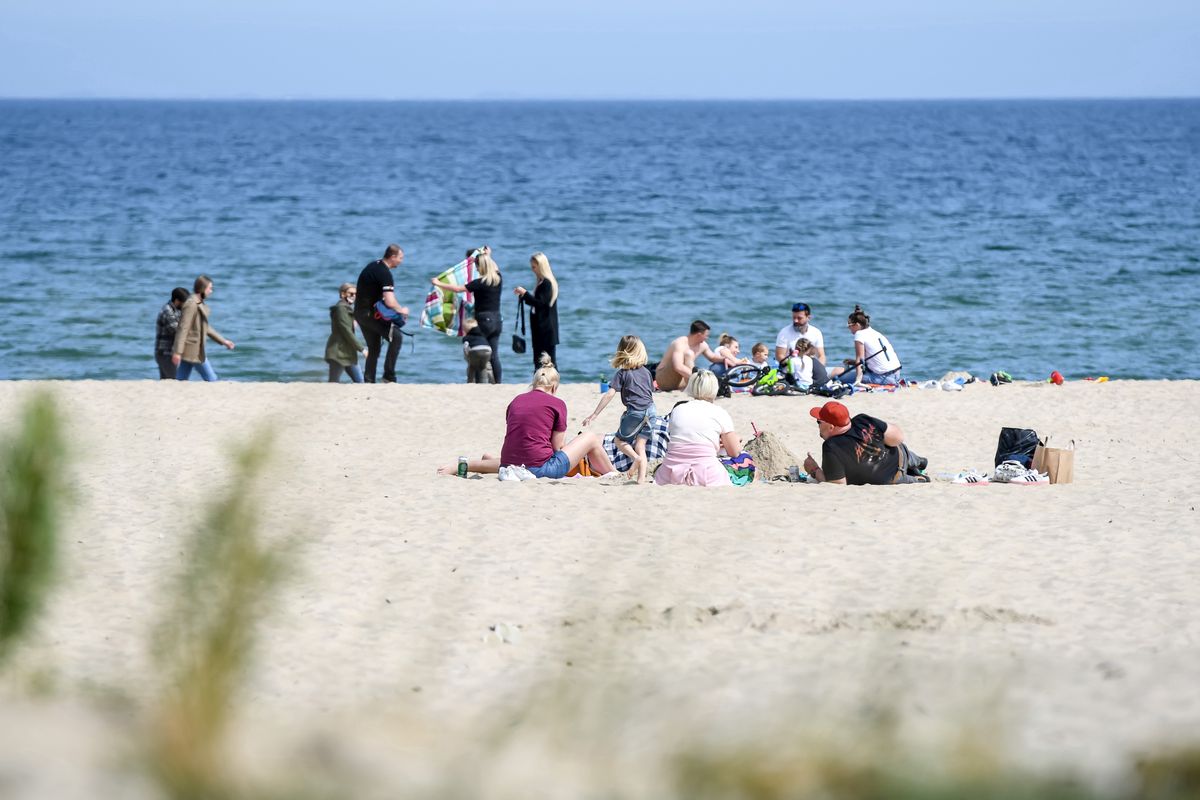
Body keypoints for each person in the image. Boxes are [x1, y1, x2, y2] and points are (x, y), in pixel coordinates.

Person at [438, 355, 615, 479]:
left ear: (535, 384)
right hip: (540, 469)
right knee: (590, 438)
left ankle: (463, 465)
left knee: (519, 458)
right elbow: (558, 447)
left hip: (509, 464)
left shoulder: (516, 401)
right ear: (553, 388)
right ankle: (613, 473)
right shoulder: (557, 404)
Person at [582, 335, 658, 483]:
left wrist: (594, 414)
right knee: (640, 445)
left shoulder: (622, 374)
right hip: (652, 411)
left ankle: (635, 458)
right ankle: (641, 480)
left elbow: (609, 395)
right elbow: (650, 391)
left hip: (636, 412)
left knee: (619, 441)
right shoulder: (647, 372)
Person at [802, 401, 928, 485]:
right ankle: (918, 462)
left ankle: (918, 472)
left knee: (903, 458)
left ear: (831, 427)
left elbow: (837, 484)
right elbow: (898, 438)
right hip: (900, 457)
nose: (818, 425)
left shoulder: (831, 447)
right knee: (898, 447)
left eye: (819, 422)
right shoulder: (863, 420)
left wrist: (814, 470)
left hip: (892, 480)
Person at [654, 370, 741, 487]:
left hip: (671, 472)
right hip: (706, 473)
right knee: (747, 463)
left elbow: (681, 437)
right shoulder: (719, 412)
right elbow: (734, 452)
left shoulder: (678, 410)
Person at [433, 247, 503, 382]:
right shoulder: (498, 279)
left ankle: (478, 382)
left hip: (483, 319)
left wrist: (439, 283)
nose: (476, 269)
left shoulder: (479, 283)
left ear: (481, 266)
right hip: (497, 320)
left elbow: (458, 289)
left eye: (477, 266)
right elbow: (495, 267)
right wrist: (489, 255)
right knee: (494, 355)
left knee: (478, 350)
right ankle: (498, 383)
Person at [354, 244, 410, 383]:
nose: (401, 261)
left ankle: (369, 380)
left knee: (374, 347)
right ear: (393, 257)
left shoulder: (374, 265)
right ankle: (388, 376)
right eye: (400, 258)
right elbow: (390, 301)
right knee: (396, 337)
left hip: (360, 314)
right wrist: (401, 310)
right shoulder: (384, 273)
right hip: (369, 314)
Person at [172, 275, 234, 381]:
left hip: (191, 349)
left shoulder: (198, 303)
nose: (211, 291)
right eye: (209, 288)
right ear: (202, 289)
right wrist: (177, 352)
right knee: (212, 379)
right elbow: (183, 328)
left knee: (180, 380)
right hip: (194, 351)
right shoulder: (191, 304)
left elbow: (206, 328)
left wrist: (224, 341)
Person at [830, 305, 903, 386]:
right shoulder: (874, 333)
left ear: (857, 325)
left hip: (884, 378)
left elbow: (859, 359)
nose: (848, 328)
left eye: (849, 325)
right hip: (896, 375)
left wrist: (858, 380)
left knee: (838, 378)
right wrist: (854, 362)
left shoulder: (859, 334)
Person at [513, 252, 559, 372]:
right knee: (539, 360)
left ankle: (550, 386)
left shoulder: (547, 283)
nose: (533, 270)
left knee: (548, 361)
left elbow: (541, 303)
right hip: (541, 328)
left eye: (534, 267)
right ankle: (540, 385)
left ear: (541, 266)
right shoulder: (541, 282)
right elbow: (537, 303)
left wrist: (525, 293)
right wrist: (524, 296)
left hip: (546, 329)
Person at [655, 320, 722, 391]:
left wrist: (725, 358)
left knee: (690, 359)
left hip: (681, 382)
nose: (707, 338)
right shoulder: (680, 343)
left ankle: (693, 387)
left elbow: (712, 357)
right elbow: (678, 367)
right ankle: (695, 384)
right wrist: (698, 378)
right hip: (665, 380)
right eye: (706, 336)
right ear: (699, 335)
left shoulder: (702, 345)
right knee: (688, 354)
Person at [325, 282, 367, 383]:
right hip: (338, 352)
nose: (354, 296)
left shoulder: (346, 309)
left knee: (360, 382)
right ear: (343, 294)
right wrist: (362, 349)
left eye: (356, 294)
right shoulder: (341, 309)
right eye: (351, 293)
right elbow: (346, 331)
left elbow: (347, 324)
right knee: (333, 383)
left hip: (348, 352)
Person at [155, 287, 188, 379]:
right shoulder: (167, 311)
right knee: (173, 381)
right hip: (165, 354)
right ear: (177, 301)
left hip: (166, 353)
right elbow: (177, 331)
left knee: (166, 382)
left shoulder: (176, 310)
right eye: (184, 303)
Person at [461, 318, 494, 384]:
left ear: (466, 330)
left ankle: (470, 382)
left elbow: (465, 347)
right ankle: (491, 381)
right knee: (484, 366)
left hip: (475, 351)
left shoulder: (467, 337)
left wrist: (467, 358)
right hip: (487, 350)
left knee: (472, 367)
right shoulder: (482, 334)